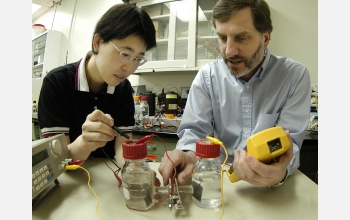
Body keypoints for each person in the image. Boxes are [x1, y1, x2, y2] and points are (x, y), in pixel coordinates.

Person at [158, 0, 311, 187]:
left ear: (265, 38)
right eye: (223, 38)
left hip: (270, 189)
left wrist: (280, 170)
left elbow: (289, 145)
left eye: (241, 38)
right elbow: (195, 133)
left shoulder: (294, 77)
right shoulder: (207, 77)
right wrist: (189, 155)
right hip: (218, 183)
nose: (229, 51)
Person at [38, 3, 156, 168]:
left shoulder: (123, 88)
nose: (129, 68)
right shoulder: (57, 82)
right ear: (98, 42)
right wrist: (84, 144)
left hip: (106, 180)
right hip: (68, 182)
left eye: (138, 59)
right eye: (125, 54)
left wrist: (134, 169)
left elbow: (122, 148)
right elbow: (56, 159)